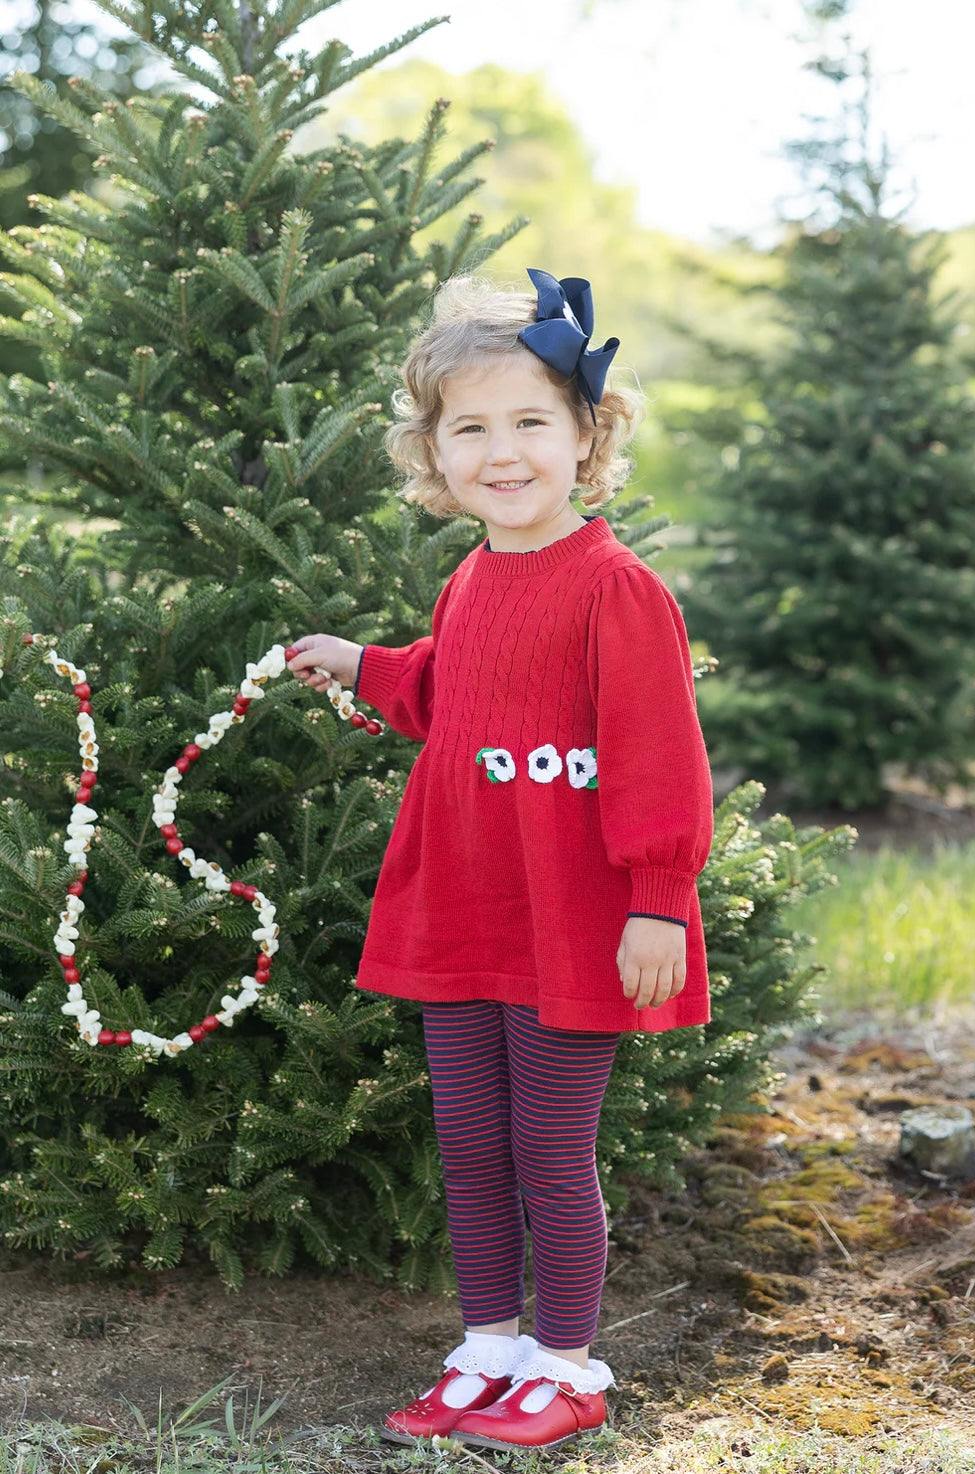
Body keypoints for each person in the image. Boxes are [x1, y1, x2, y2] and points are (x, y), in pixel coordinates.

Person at [286, 268, 714, 1453]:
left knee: (546, 1148)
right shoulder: (472, 575)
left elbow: (658, 760)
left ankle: (569, 1362)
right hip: (466, 905)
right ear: (435, 452)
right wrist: (363, 663)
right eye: (470, 427)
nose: (503, 450)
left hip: (575, 916)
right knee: (470, 1140)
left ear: (587, 433)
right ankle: (487, 1347)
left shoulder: (619, 592)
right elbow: (451, 688)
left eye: (531, 420)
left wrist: (659, 901)